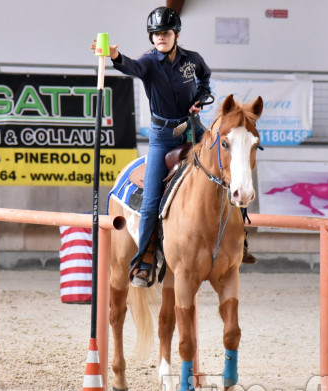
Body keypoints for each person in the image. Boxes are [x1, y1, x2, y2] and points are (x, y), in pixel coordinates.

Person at [92, 6, 254, 287]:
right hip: (163, 136)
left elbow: (205, 78)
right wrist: (115, 56)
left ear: (176, 34)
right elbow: (130, 67)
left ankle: (242, 241)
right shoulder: (148, 62)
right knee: (152, 197)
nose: (160, 38)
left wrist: (202, 98)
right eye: (155, 34)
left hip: (194, 130)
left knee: (232, 170)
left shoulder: (193, 60)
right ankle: (144, 258)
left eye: (165, 33)